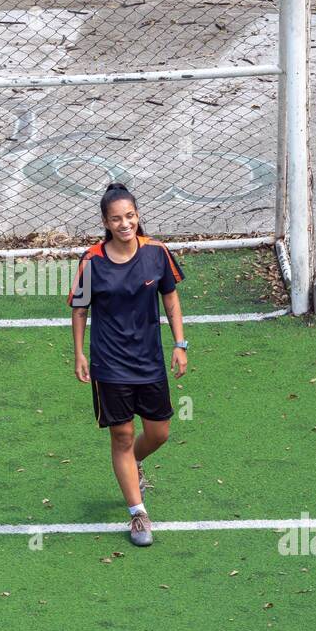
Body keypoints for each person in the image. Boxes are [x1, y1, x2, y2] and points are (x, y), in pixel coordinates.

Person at [68, 182, 187, 547]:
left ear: (138, 217)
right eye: (117, 219)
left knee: (159, 433)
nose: (125, 224)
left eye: (130, 216)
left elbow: (170, 298)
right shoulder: (92, 260)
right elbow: (80, 309)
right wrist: (79, 353)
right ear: (106, 221)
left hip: (149, 361)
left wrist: (180, 344)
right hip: (109, 364)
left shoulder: (156, 253)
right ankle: (138, 513)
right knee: (121, 436)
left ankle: (129, 470)